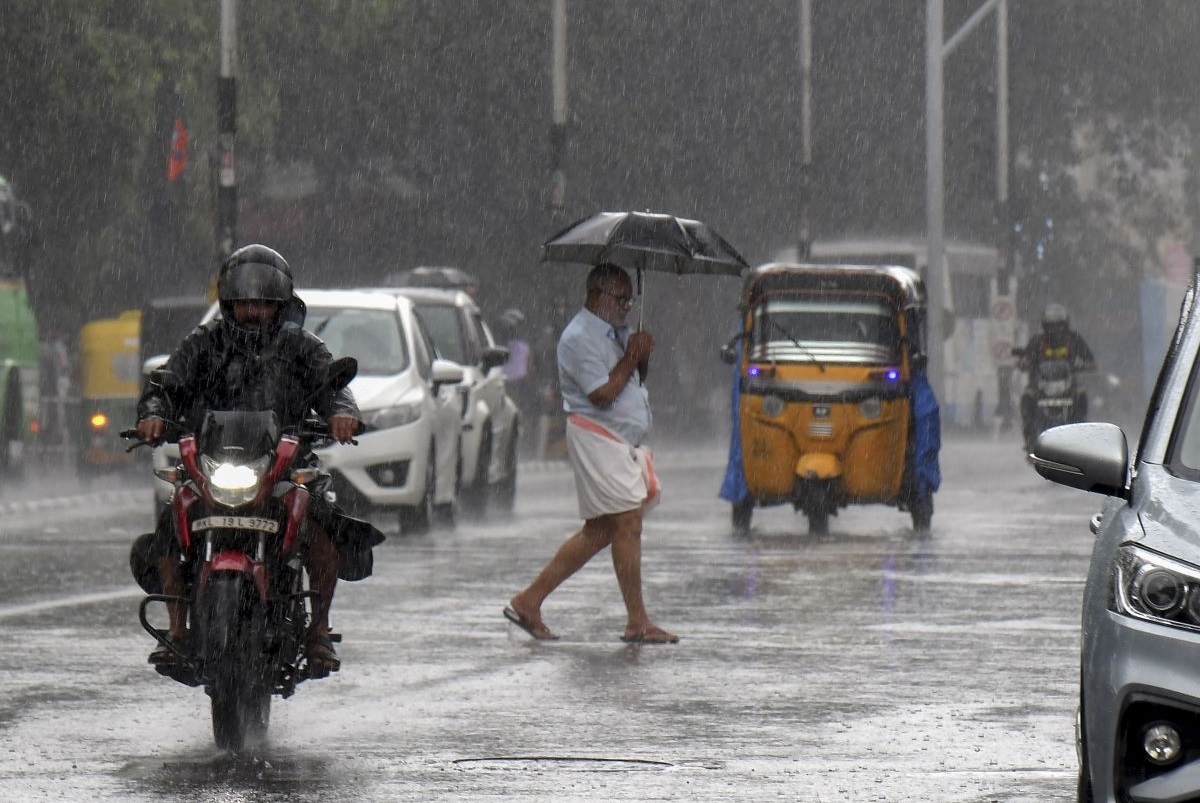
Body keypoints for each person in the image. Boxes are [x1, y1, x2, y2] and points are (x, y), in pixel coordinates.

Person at [135, 244, 367, 676]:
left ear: (280, 305)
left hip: (284, 465)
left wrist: (341, 413)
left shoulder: (301, 346)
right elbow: (166, 383)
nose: (253, 312)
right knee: (171, 522)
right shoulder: (203, 342)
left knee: (323, 525)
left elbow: (334, 386)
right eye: (244, 303)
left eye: (263, 303)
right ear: (229, 303)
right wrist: (153, 414)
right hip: (213, 463)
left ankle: (318, 628)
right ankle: (178, 628)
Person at [504, 263, 677, 644]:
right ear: (598, 295)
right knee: (628, 522)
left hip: (618, 441)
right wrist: (631, 357)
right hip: (599, 436)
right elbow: (601, 393)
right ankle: (637, 621)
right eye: (621, 299)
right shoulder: (579, 337)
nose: (627, 307)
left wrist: (641, 355)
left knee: (601, 530)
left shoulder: (615, 332)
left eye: (630, 300)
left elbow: (632, 380)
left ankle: (529, 601)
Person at [1016, 301, 1096, 449]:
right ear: (1045, 326)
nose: (1055, 330)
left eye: (1059, 325)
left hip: (1068, 383)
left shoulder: (1074, 339)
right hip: (1040, 383)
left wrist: (1084, 365)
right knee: (1027, 397)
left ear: (1065, 325)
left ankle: (1081, 429)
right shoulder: (1037, 341)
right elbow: (1025, 358)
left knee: (1081, 394)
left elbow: (1091, 361)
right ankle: (1029, 437)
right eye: (1051, 326)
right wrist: (1024, 363)